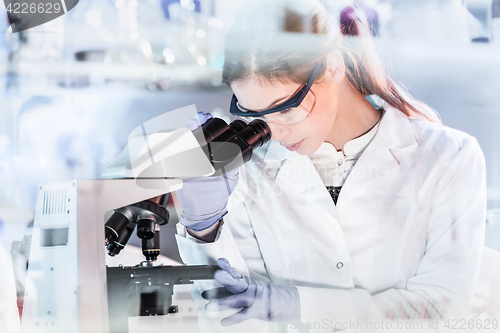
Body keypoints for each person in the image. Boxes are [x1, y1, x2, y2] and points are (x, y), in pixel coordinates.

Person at [174, 1, 486, 332]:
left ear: (332, 68)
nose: (274, 133)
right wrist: (203, 230)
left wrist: (300, 306)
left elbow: (440, 311)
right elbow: (230, 316)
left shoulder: (449, 157)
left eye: (285, 110)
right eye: (257, 116)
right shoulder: (246, 173)